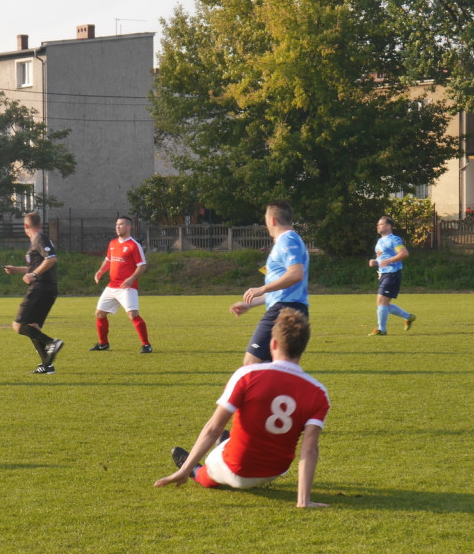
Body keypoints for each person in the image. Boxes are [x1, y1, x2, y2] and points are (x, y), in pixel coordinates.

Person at [154, 308, 330, 508]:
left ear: (272, 344)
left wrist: (183, 470)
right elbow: (310, 449)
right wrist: (303, 501)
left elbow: (213, 427)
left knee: (209, 471)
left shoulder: (247, 374)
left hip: (235, 468)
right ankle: (225, 443)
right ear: (303, 348)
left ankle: (193, 470)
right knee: (237, 443)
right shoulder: (318, 391)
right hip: (274, 471)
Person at [229, 200, 309, 366]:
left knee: (251, 364)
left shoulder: (287, 240)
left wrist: (261, 288)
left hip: (283, 311)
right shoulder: (289, 240)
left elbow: (296, 274)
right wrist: (250, 304)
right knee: (279, 368)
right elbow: (283, 289)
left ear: (272, 220)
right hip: (290, 307)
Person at [3, 212, 64, 374]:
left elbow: (51, 259)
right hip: (48, 288)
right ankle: (47, 365)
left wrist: (34, 275)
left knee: (18, 326)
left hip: (41, 287)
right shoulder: (38, 240)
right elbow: (38, 265)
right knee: (33, 327)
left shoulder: (39, 238)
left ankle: (52, 343)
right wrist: (18, 270)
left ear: (25, 226)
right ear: (41, 224)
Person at [89, 215, 152, 353]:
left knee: (133, 314)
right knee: (99, 313)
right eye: (117, 224)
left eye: (121, 224)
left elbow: (142, 266)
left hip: (127, 287)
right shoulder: (113, 244)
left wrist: (131, 278)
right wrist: (100, 271)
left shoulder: (134, 245)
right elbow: (108, 260)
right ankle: (103, 343)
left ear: (129, 227)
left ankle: (146, 344)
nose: (118, 227)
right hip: (112, 286)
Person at [368, 215, 416, 336]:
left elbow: (404, 254)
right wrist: (376, 262)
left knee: (381, 301)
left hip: (392, 274)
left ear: (389, 226)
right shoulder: (380, 241)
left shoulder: (394, 239)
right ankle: (408, 317)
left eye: (381, 224)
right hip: (383, 274)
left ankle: (381, 330)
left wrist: (389, 261)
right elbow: (383, 258)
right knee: (383, 304)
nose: (378, 226)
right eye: (378, 224)